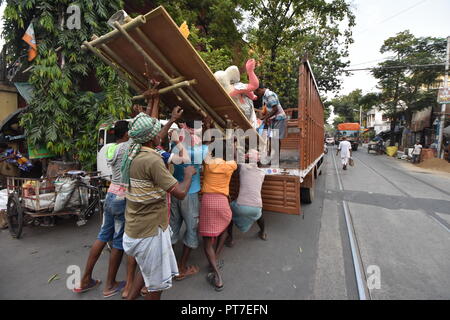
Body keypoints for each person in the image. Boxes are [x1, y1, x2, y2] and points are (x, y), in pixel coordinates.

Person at [120, 111, 196, 300]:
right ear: (151, 137)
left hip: (135, 228)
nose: (159, 135)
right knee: (156, 285)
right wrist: (188, 175)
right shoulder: (152, 160)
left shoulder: (132, 151)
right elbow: (179, 192)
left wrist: (171, 120)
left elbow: (156, 136)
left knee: (145, 271)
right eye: (156, 133)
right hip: (149, 231)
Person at [73, 120, 132, 298]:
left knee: (103, 236)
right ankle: (110, 284)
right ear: (127, 134)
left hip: (111, 194)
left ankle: (85, 279)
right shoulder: (127, 148)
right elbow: (146, 132)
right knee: (118, 242)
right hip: (122, 198)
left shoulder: (110, 148)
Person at [169, 119, 211, 281]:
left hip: (175, 192)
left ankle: (169, 265)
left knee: (173, 226)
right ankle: (181, 267)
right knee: (191, 228)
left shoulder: (175, 148)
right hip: (190, 194)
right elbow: (206, 149)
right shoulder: (200, 151)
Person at [199, 139, 237, 292]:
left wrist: (210, 143)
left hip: (208, 201)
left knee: (207, 241)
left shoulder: (208, 163)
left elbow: (205, 152)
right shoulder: (230, 166)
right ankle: (216, 258)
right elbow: (235, 157)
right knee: (225, 230)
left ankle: (217, 275)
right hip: (222, 202)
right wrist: (233, 146)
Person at [228, 149, 267, 246]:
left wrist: (234, 148)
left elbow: (235, 161)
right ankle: (262, 233)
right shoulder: (262, 173)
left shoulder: (242, 168)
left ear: (246, 159)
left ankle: (230, 239)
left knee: (228, 213)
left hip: (241, 207)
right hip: (256, 208)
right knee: (259, 215)